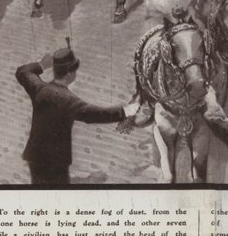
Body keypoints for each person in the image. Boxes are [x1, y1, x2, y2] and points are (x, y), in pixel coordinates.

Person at [15, 45, 139, 185]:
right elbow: (94, 114)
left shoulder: (39, 88)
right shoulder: (68, 99)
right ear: (69, 74)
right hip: (56, 162)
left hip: (35, 156)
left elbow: (22, 72)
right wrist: (125, 111)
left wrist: (42, 65)